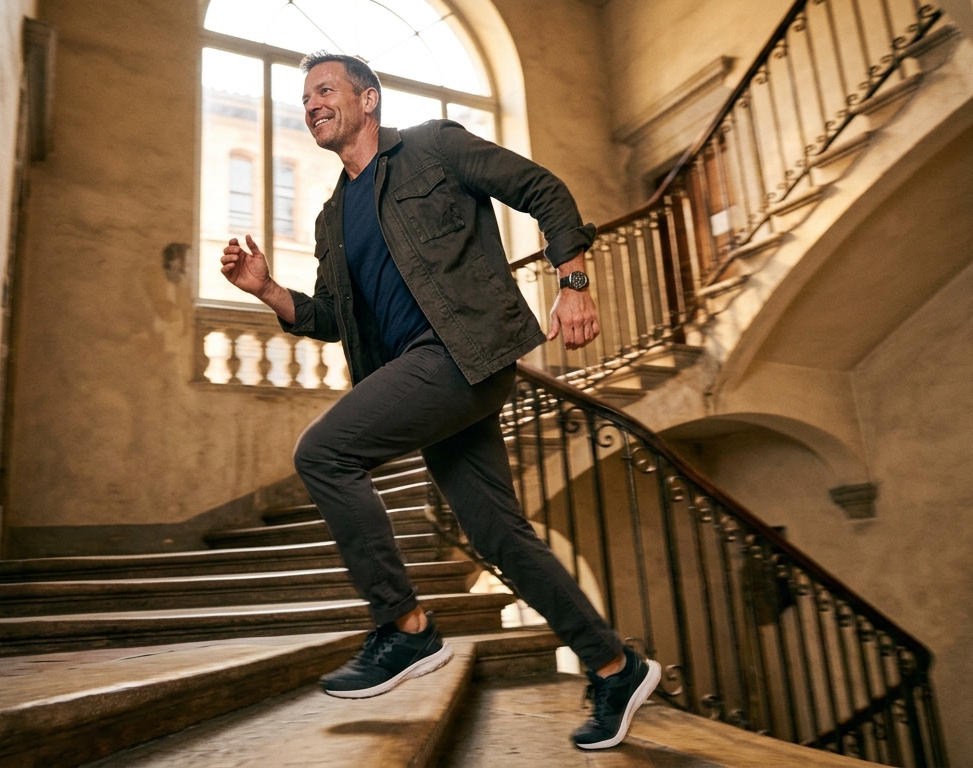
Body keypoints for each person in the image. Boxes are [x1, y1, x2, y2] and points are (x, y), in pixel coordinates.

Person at [219, 51, 659, 750]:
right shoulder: (334, 219)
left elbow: (542, 189)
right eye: (304, 98)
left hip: (464, 355)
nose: (311, 105)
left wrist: (573, 284)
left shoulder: (433, 147)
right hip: (424, 377)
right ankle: (613, 664)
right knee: (496, 535)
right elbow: (336, 317)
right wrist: (268, 292)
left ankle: (405, 627)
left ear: (369, 99)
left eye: (324, 90)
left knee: (324, 452)